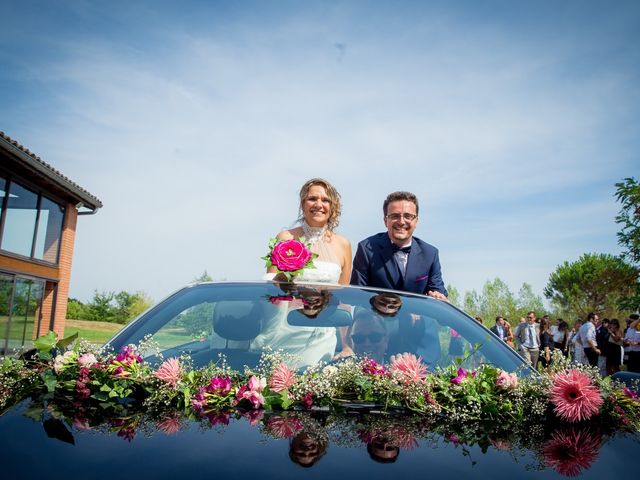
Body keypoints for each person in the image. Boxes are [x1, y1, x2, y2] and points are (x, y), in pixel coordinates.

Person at [350, 191, 447, 299]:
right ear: (385, 221)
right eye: (395, 216)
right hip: (376, 315)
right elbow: (357, 296)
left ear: (416, 221)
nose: (401, 221)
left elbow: (438, 292)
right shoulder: (366, 249)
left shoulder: (430, 254)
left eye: (408, 216)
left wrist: (439, 296)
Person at [268, 178, 352, 285]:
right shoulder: (285, 238)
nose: (318, 204)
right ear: (302, 204)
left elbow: (344, 291)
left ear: (332, 207)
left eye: (325, 200)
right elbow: (271, 287)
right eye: (312, 199)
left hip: (330, 302)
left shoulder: (343, 244)